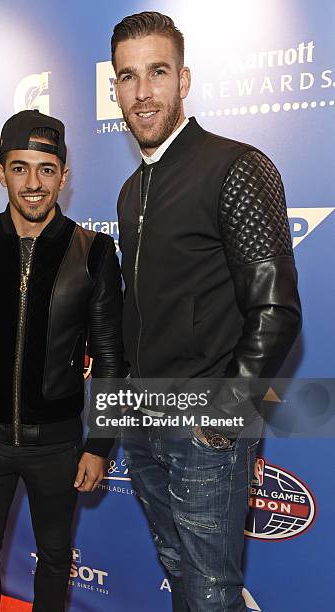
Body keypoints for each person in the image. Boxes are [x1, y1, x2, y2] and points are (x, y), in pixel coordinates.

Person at [111, 11, 302, 611]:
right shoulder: (131, 189)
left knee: (214, 590)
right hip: (144, 421)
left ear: (184, 79)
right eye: (127, 76)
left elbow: (276, 309)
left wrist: (222, 415)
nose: (142, 92)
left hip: (203, 430)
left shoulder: (235, 166)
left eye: (157, 72)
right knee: (178, 571)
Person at [0, 109, 124, 612]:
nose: (33, 183)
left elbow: (110, 358)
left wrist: (99, 443)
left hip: (57, 447)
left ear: (64, 174)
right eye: (19, 167)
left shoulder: (94, 251)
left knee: (56, 560)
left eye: (46, 169)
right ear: (0, 171)